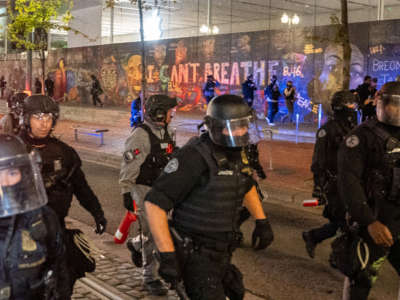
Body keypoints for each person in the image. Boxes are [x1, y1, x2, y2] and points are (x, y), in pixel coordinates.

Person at [144, 95, 274, 299]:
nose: (243, 132)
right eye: (236, 127)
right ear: (215, 127)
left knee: (235, 292)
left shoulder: (237, 153)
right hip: (196, 255)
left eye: (245, 125)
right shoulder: (193, 157)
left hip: (222, 253)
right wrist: (167, 255)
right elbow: (154, 203)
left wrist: (262, 221)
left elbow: (246, 184)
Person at [19, 95, 107, 298]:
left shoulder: (65, 153)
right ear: (26, 118)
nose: (44, 123)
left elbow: (81, 186)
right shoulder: (13, 149)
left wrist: (97, 212)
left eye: (49, 117)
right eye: (38, 117)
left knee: (62, 288)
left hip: (57, 232)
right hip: (22, 235)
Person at [337, 81, 400, 299]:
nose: (396, 110)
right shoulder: (361, 137)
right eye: (392, 104)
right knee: (360, 279)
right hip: (374, 220)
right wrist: (368, 221)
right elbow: (349, 181)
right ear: (378, 102)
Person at [119, 94, 178, 296]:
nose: (173, 115)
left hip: (163, 189)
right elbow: (129, 164)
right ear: (160, 113)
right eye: (171, 112)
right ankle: (150, 277)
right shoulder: (140, 136)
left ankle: (136, 244)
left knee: (164, 230)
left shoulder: (169, 132)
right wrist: (126, 190)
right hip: (143, 189)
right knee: (154, 233)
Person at [0, 134, 69, 300]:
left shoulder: (43, 219)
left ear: (23, 174)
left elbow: (59, 273)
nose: (5, 182)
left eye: (12, 172)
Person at [302, 91, 358, 258]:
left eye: (353, 104)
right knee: (345, 221)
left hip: (350, 182)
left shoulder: (354, 128)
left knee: (344, 221)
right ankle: (339, 256)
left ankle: (313, 236)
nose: (353, 108)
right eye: (350, 104)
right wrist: (318, 186)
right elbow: (318, 161)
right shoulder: (327, 130)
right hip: (333, 184)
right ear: (340, 107)